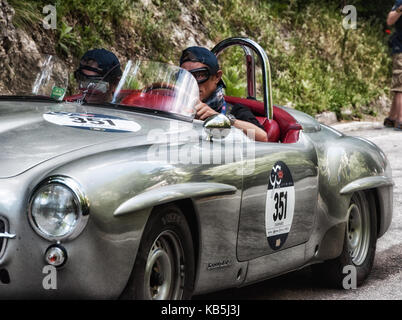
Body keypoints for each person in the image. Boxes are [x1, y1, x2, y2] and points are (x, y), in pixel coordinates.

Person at [179, 46, 268, 142]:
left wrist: (219, 118)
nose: (192, 83)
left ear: (217, 77)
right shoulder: (175, 106)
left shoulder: (234, 110)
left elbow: (262, 137)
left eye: (200, 75)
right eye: (186, 76)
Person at [386, 2, 402, 130]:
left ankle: (392, 118)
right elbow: (390, 21)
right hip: (401, 48)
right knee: (400, 84)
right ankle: (400, 120)